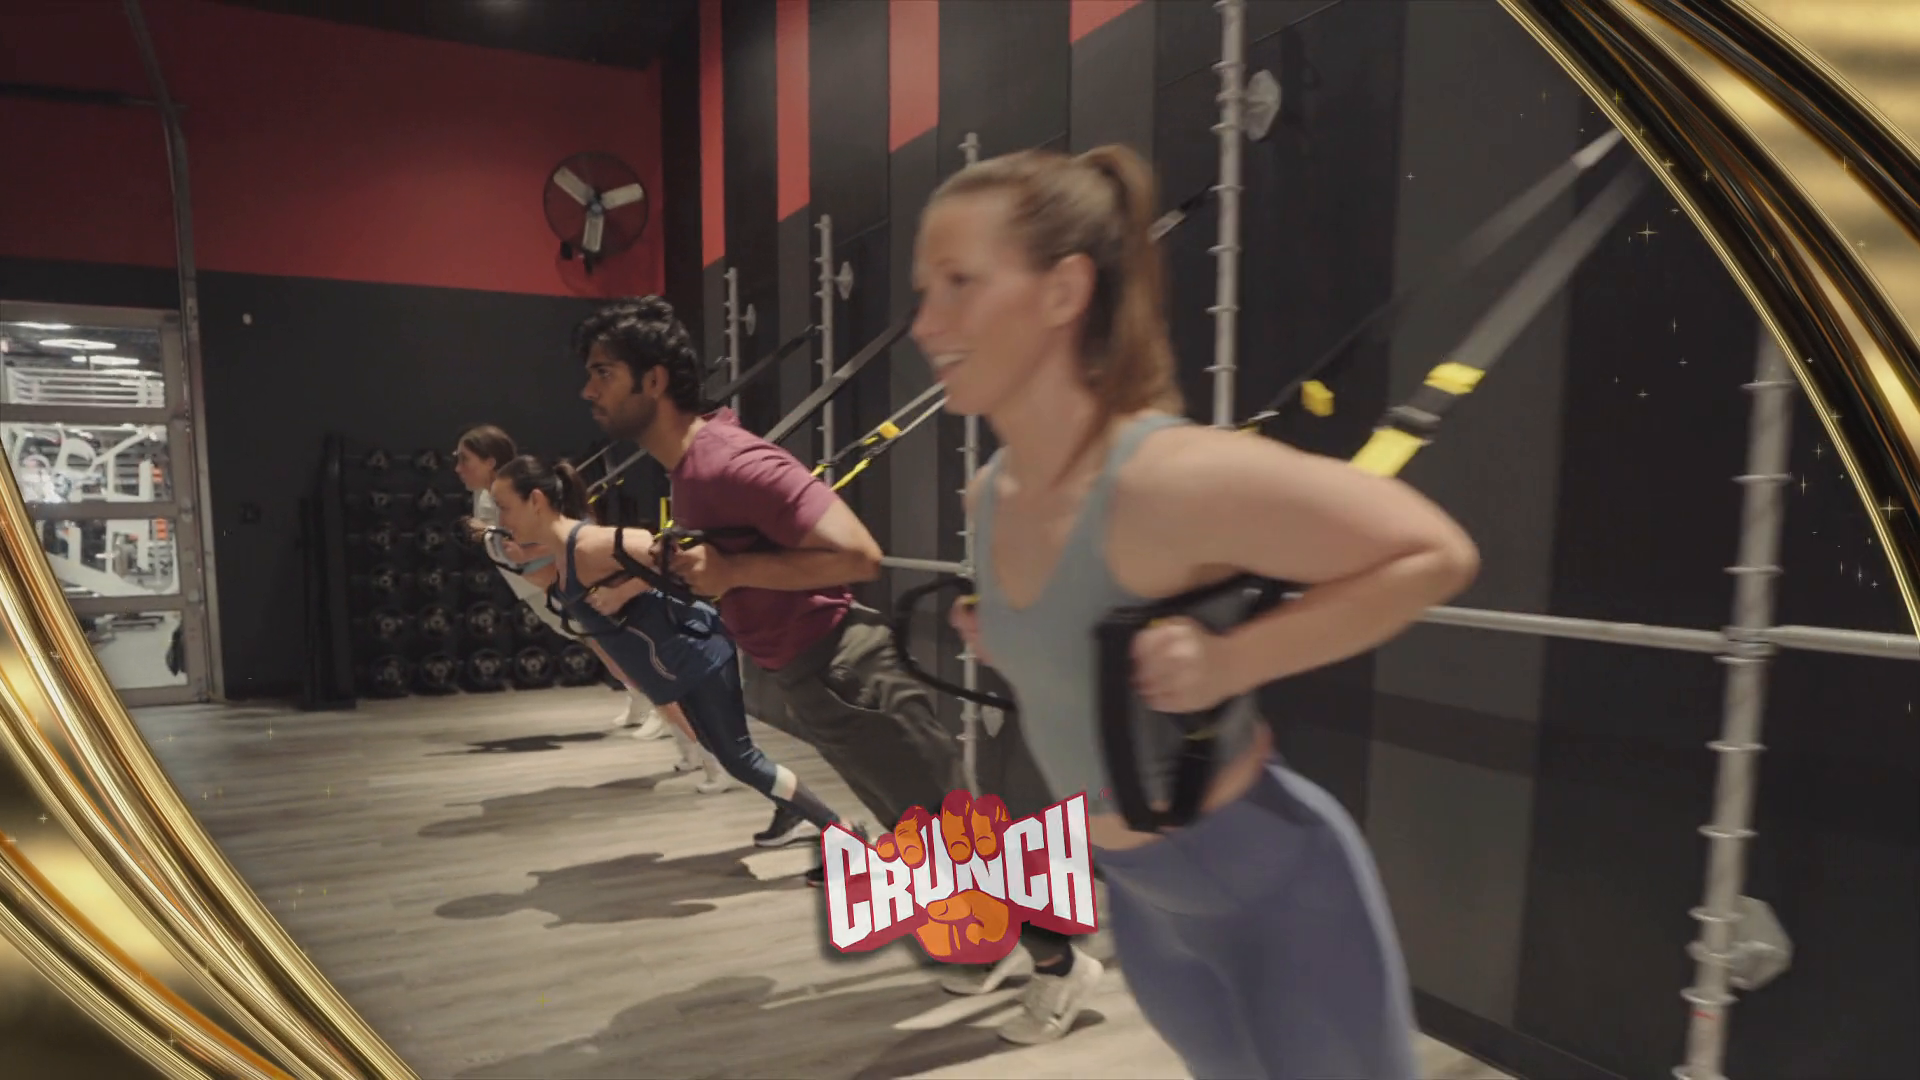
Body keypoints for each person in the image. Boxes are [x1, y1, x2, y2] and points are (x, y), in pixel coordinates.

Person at [912, 145, 1482, 1076]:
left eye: (959, 283)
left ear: (1064, 292)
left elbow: (1435, 554)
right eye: (924, 291)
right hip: (1146, 906)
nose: (926, 323)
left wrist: (1232, 662)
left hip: (1283, 898)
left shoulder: (1168, 477)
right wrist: (1015, 644)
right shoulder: (990, 497)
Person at [573, 298, 968, 862]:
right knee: (936, 852)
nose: (589, 391)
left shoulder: (729, 462)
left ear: (653, 381)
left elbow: (860, 556)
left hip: (847, 672)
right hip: (814, 680)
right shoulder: (689, 469)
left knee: (968, 853)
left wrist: (731, 570)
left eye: (603, 373)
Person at [489, 453, 853, 866]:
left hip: (697, 656)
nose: (501, 518)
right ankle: (790, 809)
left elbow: (677, 554)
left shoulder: (591, 543)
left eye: (505, 506)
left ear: (536, 501)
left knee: (740, 759)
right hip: (674, 668)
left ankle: (842, 831)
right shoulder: (563, 550)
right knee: (723, 751)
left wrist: (623, 592)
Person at [452, 424, 726, 791]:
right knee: (638, 673)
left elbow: (649, 557)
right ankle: (694, 748)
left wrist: (519, 551)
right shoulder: (512, 511)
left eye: (465, 459)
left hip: (590, 597)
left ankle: (709, 756)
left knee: (651, 675)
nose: (458, 468)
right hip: (573, 598)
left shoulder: (571, 529)